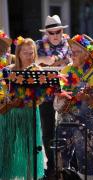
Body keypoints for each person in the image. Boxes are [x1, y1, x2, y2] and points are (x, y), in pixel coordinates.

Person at [54, 34, 93, 180]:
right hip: (65, 116)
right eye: (71, 51)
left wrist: (86, 97)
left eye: (76, 52)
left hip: (87, 117)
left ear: (87, 54)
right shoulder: (66, 70)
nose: (72, 54)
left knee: (85, 155)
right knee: (60, 153)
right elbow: (59, 94)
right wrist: (59, 97)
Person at [0, 37, 44, 179]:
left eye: (31, 53)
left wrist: (33, 97)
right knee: (9, 150)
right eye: (25, 52)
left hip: (29, 114)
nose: (29, 56)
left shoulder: (39, 71)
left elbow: (41, 99)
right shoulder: (7, 71)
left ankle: (30, 177)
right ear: (18, 54)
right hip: (10, 115)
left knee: (30, 150)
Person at [36, 14, 72, 177]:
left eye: (58, 32)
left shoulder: (69, 44)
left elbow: (72, 63)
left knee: (66, 131)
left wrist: (52, 61)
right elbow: (35, 61)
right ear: (46, 34)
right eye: (52, 33)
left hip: (66, 95)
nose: (55, 35)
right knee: (48, 131)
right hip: (45, 96)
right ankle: (51, 166)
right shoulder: (38, 45)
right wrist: (51, 61)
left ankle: (65, 165)